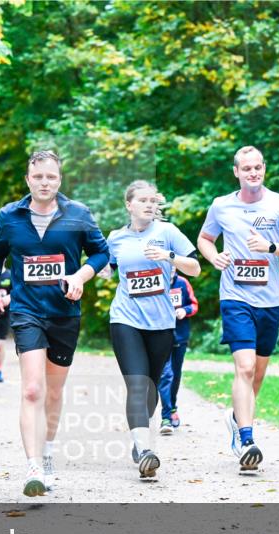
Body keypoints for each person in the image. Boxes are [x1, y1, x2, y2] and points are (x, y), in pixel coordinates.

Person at [0, 150, 109, 497]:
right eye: (38, 177)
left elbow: (102, 253)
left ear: (59, 179)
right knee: (32, 389)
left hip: (64, 312)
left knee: (53, 392)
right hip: (26, 310)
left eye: (51, 177)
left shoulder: (78, 214)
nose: (44, 182)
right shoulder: (10, 216)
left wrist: (80, 276)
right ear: (28, 180)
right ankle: (34, 465)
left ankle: (48, 451)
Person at [196, 146, 279, 471]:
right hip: (235, 297)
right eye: (246, 168)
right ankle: (246, 440)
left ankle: (236, 418)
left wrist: (270, 247)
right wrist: (214, 256)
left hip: (270, 301)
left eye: (257, 167)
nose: (253, 173)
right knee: (244, 368)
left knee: (256, 375)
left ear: (264, 169)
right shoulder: (221, 205)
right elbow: (205, 238)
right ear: (236, 172)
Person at [106, 180, 200, 478]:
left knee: (150, 386)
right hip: (125, 318)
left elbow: (195, 268)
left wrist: (169, 256)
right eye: (143, 200)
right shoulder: (116, 238)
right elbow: (106, 269)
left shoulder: (167, 232)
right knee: (137, 383)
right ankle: (145, 449)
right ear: (129, 205)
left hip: (161, 322)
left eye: (152, 201)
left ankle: (140, 437)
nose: (149, 205)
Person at [158, 270, 199, 434]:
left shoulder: (183, 283)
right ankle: (166, 417)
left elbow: (194, 305)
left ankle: (172, 407)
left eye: (173, 266)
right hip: (160, 334)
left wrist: (185, 311)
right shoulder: (155, 281)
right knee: (165, 374)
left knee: (175, 374)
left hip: (179, 335)